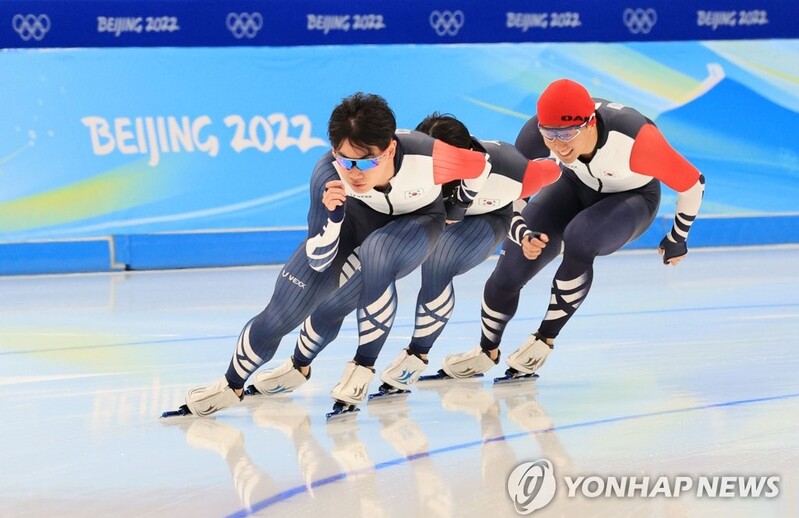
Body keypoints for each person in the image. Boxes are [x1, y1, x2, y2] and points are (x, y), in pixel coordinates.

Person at [168, 92, 493, 417]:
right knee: (287, 310)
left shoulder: (431, 157)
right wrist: (333, 217)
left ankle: (362, 366)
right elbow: (319, 258)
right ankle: (237, 383)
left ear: (391, 148)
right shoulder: (327, 174)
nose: (354, 172)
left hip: (418, 222)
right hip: (356, 217)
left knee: (378, 253)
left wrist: (457, 209)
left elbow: (481, 165)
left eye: (366, 162)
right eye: (344, 159)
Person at [248, 113, 560, 404]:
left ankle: (416, 356)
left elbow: (545, 180)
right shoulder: (411, 164)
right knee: (340, 295)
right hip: (428, 218)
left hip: (487, 219)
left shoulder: (511, 169)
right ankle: (299, 364)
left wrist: (525, 236)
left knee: (441, 261)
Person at [440, 78, 705, 381]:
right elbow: (516, 199)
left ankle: (544, 338)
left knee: (580, 237)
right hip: (573, 185)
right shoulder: (533, 134)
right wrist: (523, 234)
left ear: (591, 123)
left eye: (566, 134)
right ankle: (487, 350)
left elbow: (693, 183)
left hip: (633, 198)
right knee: (510, 268)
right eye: (549, 135)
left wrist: (678, 238)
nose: (558, 145)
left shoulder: (636, 140)